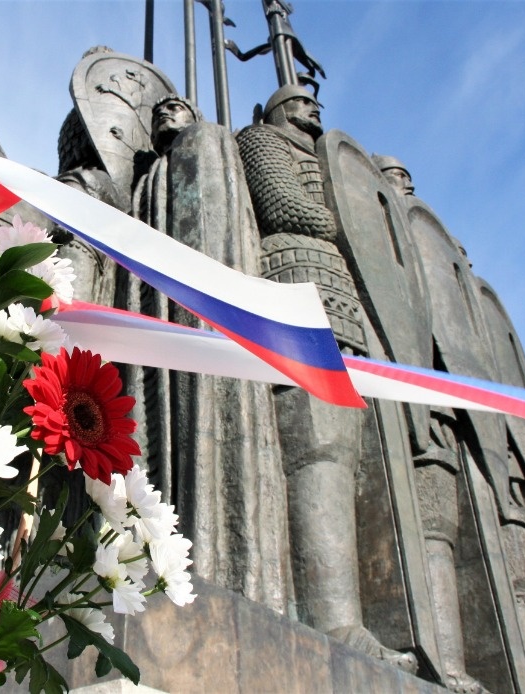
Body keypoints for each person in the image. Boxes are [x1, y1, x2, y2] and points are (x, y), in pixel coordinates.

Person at [236, 86, 418, 672]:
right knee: (318, 447)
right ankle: (334, 621)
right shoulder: (261, 140)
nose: (311, 108)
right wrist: (353, 225)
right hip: (298, 286)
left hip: (343, 304)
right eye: (297, 100)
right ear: (271, 111)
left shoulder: (333, 166)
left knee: (347, 452)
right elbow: (284, 206)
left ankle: (350, 618)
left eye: (314, 101)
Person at [121, 94, 294, 614]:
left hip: (203, 316)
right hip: (154, 319)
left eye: (175, 107)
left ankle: (215, 561)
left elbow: (215, 228)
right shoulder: (148, 179)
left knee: (205, 420)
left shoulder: (210, 143)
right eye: (157, 112)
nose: (164, 115)